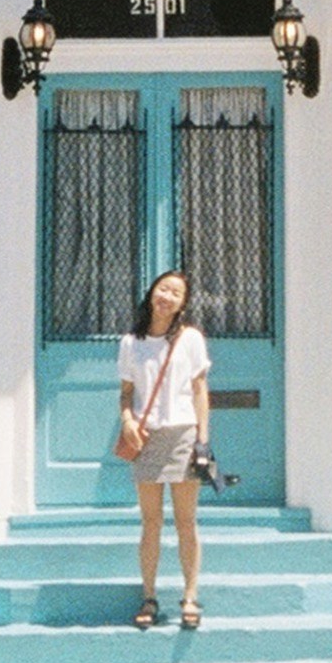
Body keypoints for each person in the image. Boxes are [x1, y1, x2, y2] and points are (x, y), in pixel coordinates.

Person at [116, 268, 212, 630]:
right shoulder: (130, 343)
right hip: (146, 437)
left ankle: (190, 595)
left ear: (183, 304)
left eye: (176, 293)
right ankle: (149, 596)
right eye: (163, 288)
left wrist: (202, 439)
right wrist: (127, 420)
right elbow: (126, 392)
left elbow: (200, 389)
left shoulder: (190, 339)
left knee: (186, 521)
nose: (167, 296)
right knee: (151, 522)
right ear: (152, 292)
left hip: (183, 432)